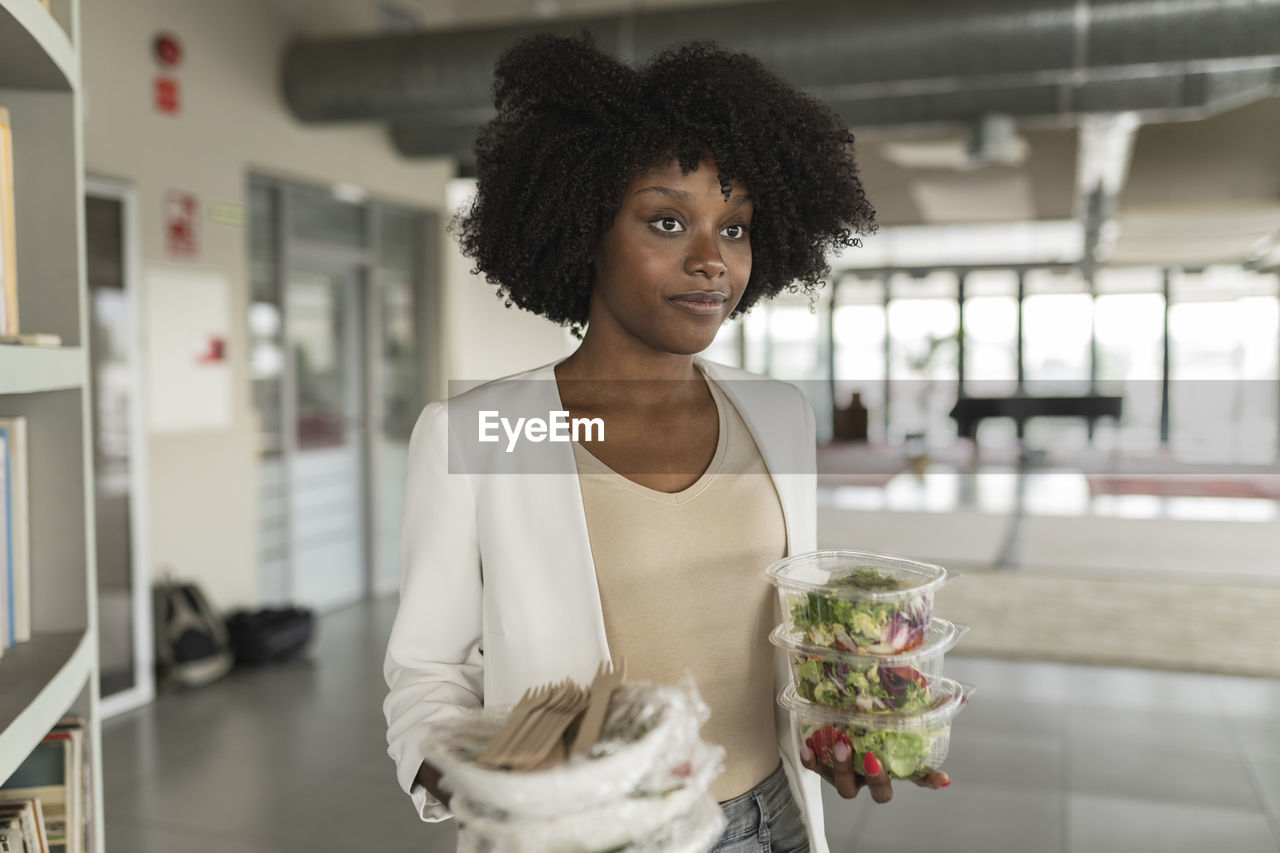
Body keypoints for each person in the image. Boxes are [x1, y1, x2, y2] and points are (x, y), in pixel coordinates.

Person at [383, 33, 949, 853]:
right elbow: (427, 672)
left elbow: (781, 639)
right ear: (584, 230)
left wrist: (843, 723)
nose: (711, 262)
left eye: (736, 228)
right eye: (667, 220)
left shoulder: (778, 414)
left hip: (777, 820)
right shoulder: (479, 432)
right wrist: (490, 781)